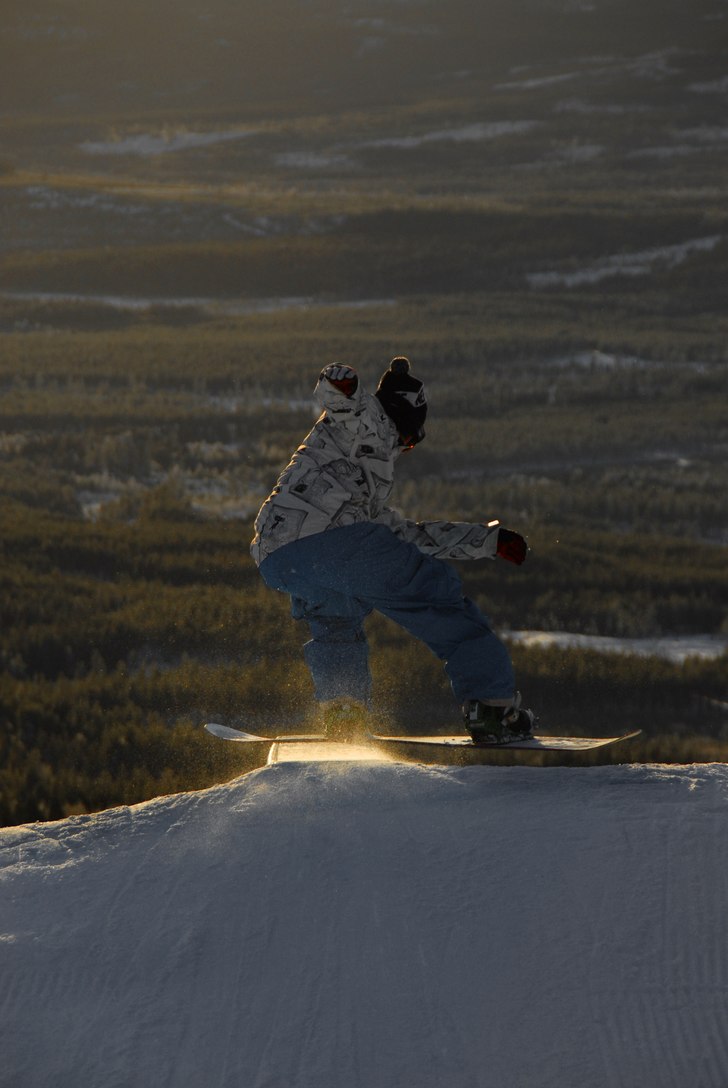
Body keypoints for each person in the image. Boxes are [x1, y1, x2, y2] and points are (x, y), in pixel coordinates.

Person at [250, 357, 535, 743]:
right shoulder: (371, 420)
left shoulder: (355, 482)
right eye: (412, 441)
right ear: (408, 426)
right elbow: (343, 403)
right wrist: (342, 383)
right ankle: (491, 709)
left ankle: (343, 713)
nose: (406, 449)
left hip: (278, 554)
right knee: (436, 596)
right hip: (336, 540)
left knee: (337, 619)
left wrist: (487, 540)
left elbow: (404, 535)